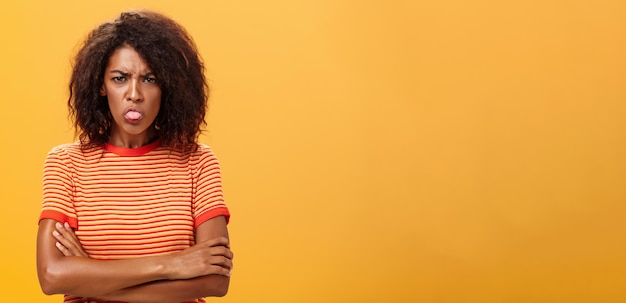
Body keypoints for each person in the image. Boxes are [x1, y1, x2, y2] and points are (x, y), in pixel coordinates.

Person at [36, 9, 233, 303]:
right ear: (101, 85)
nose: (134, 93)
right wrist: (172, 265)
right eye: (120, 78)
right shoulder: (67, 164)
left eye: (150, 79)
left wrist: (90, 277)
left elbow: (216, 280)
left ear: (169, 86)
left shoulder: (196, 161)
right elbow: (52, 275)